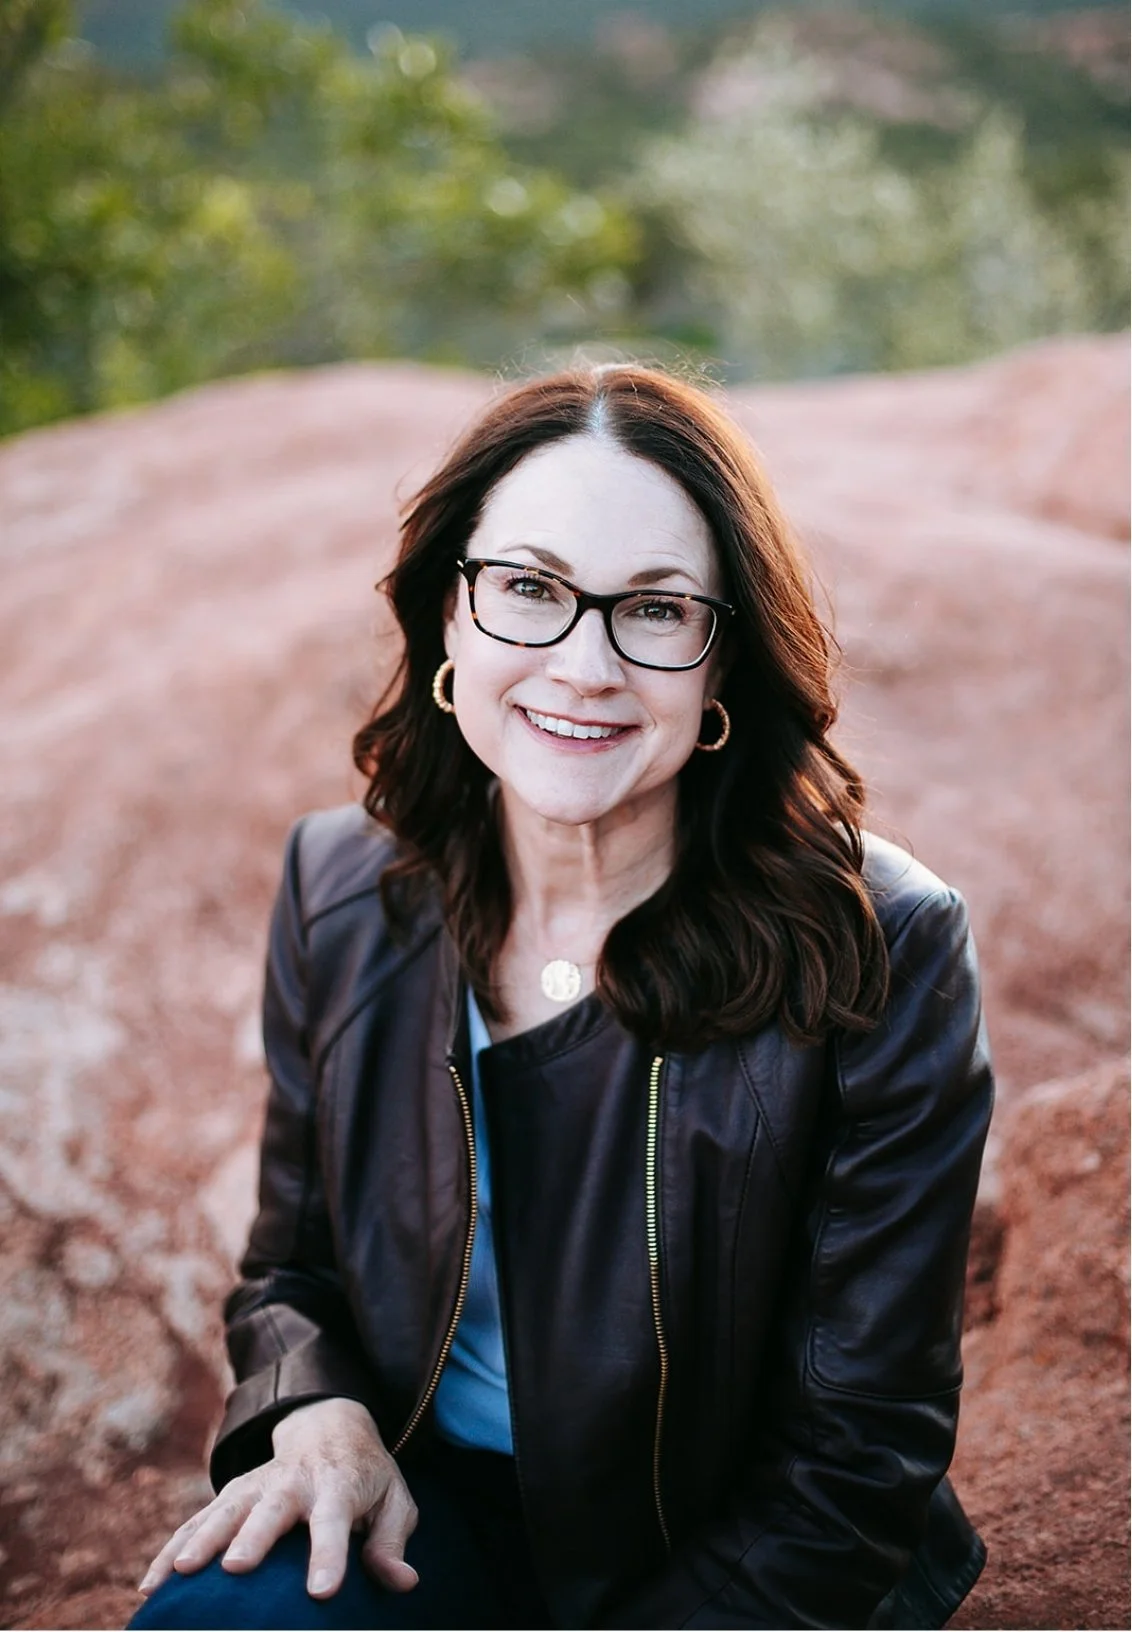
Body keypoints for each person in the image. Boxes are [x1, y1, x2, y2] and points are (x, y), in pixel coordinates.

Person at [133, 364, 993, 1631]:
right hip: (426, 1517)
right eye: (529, 589)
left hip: (729, 1561)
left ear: (722, 661)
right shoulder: (338, 889)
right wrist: (314, 1411)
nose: (583, 665)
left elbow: (853, 1460)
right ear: (448, 617)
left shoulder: (883, 949)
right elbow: (291, 1271)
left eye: (653, 611)